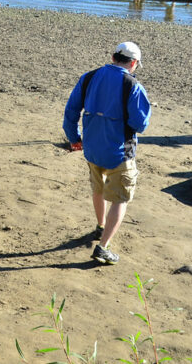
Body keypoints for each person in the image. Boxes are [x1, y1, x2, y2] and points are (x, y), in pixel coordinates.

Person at [63, 42, 151, 265]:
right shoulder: (132, 86)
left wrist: (75, 138)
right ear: (133, 64)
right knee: (120, 199)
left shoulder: (89, 77)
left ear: (113, 57)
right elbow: (140, 124)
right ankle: (103, 247)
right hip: (119, 152)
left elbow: (71, 111)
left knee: (98, 188)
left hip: (92, 148)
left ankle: (100, 226)